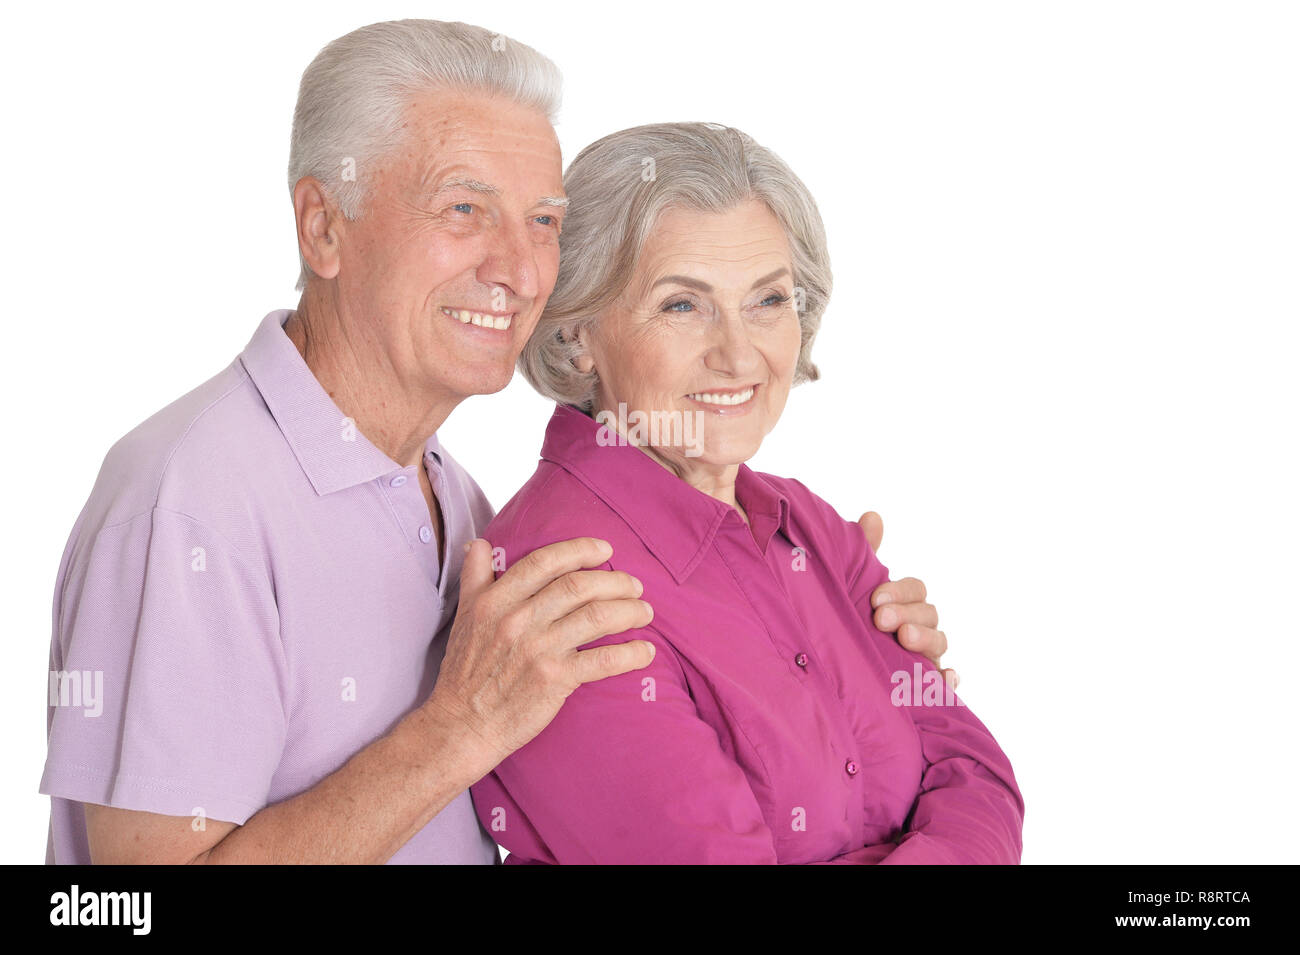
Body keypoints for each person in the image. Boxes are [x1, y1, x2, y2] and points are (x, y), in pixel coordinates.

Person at [41, 20, 952, 864]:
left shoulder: (454, 497)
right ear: (324, 226)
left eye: (543, 222)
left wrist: (834, 650)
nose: (519, 270)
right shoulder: (191, 502)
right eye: (463, 210)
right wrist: (459, 728)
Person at [470, 122, 1022, 863]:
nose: (738, 354)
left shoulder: (816, 531)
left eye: (767, 300)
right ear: (577, 334)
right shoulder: (562, 579)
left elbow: (982, 777)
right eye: (681, 305)